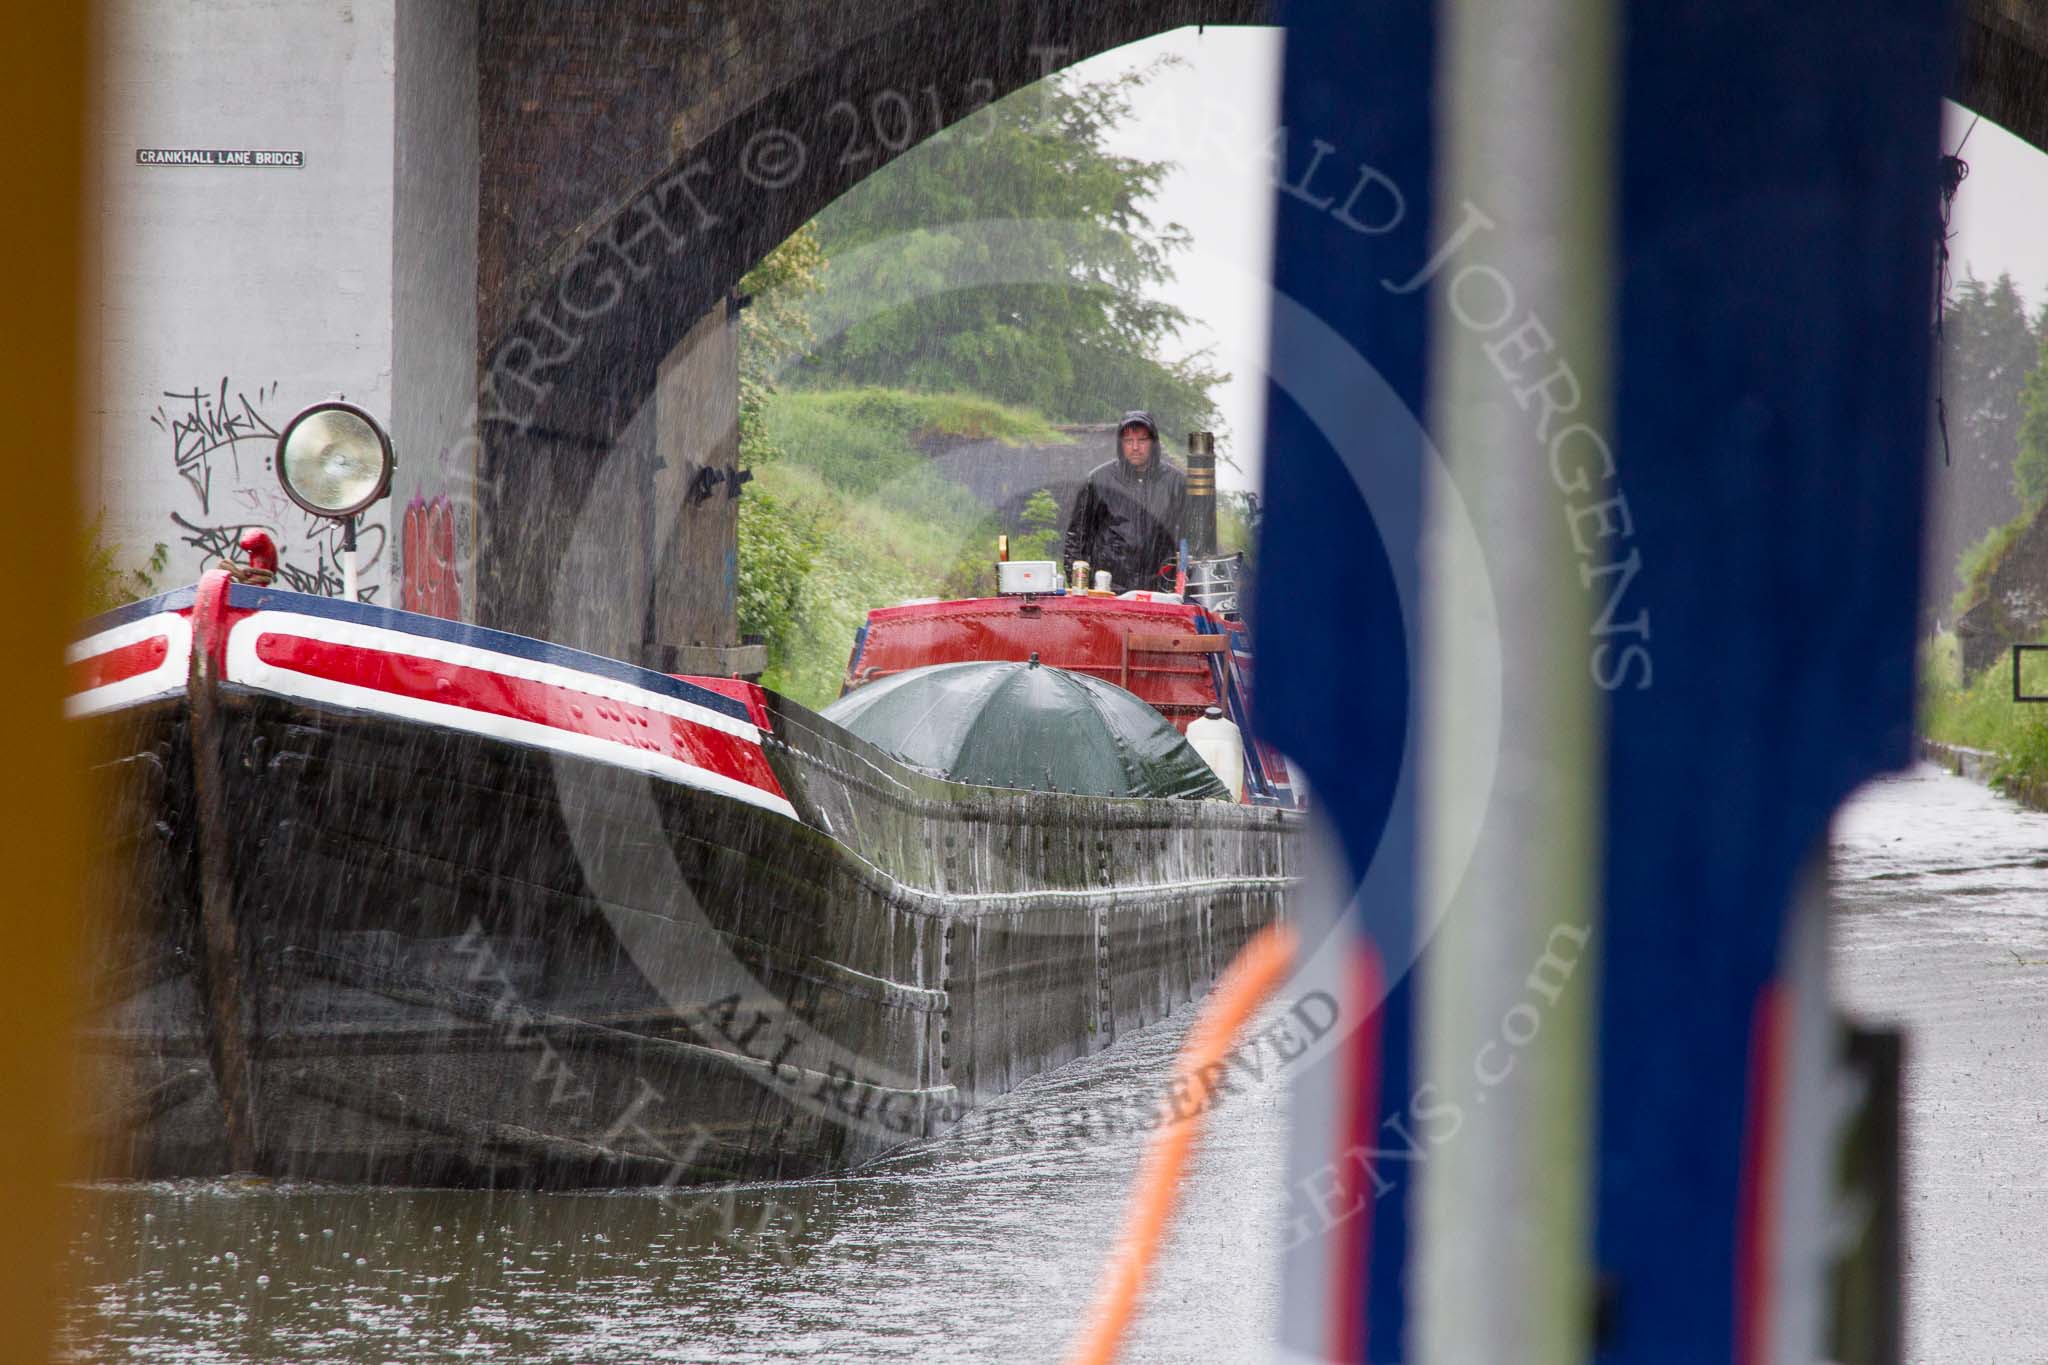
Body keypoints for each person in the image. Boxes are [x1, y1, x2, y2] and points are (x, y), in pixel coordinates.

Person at [1062, 411, 1187, 593]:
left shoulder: (1176, 483)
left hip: (1161, 592)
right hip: (1108, 590)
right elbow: (1076, 539)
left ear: (1154, 443)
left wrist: (1178, 586)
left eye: (1142, 440)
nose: (1135, 447)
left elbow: (1190, 540)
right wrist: (1082, 587)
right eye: (1129, 441)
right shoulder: (1098, 481)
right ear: (1121, 444)